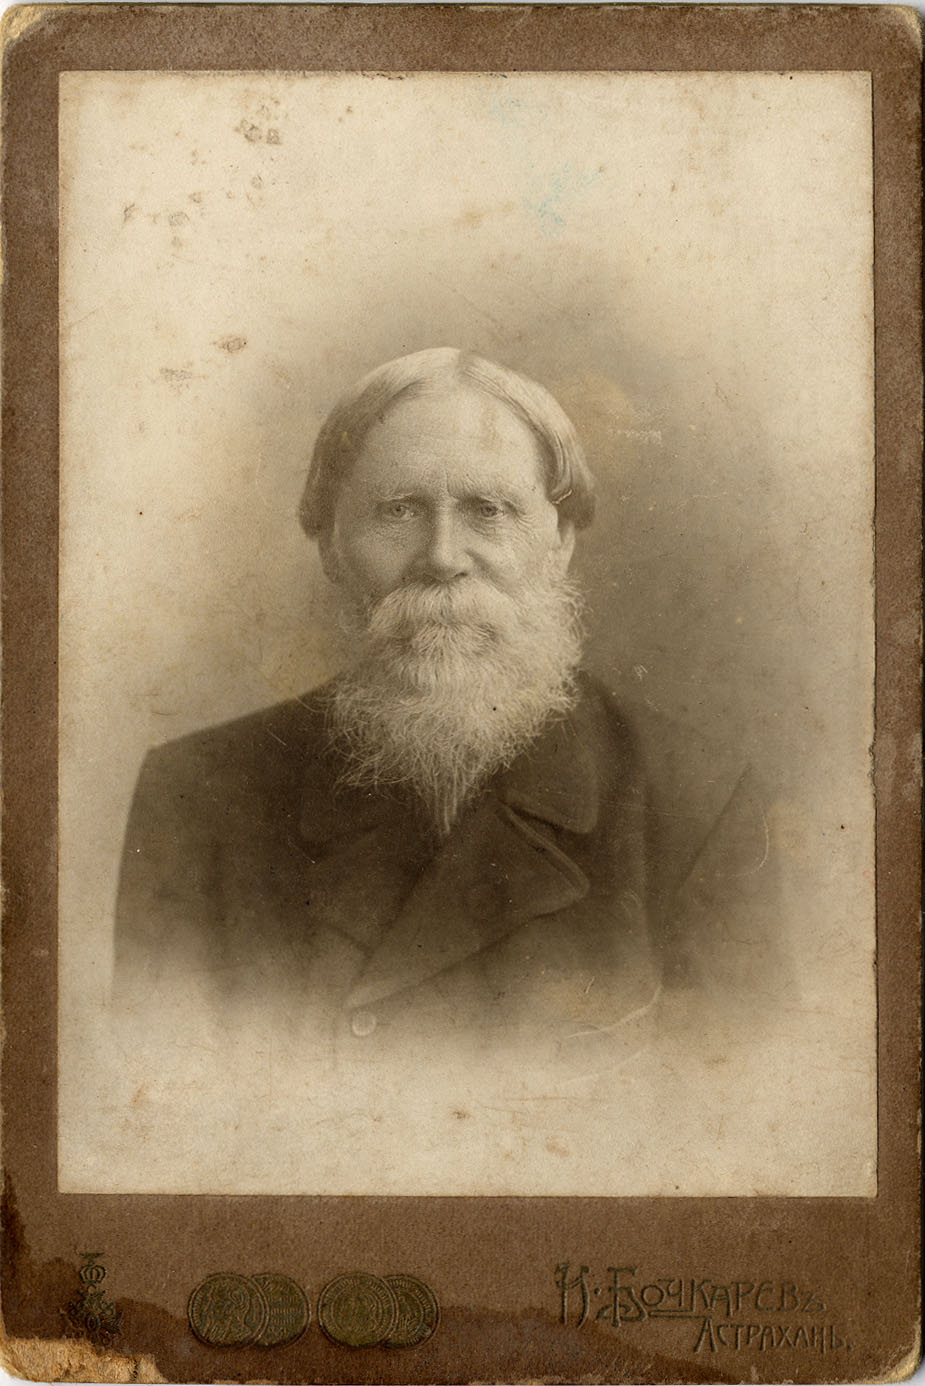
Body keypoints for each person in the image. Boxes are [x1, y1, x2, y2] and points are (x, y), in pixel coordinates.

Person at [114, 348, 782, 1081]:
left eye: (488, 511)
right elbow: (163, 1111)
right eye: (397, 511)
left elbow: (735, 1118)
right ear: (329, 545)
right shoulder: (197, 796)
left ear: (559, 542)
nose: (441, 557)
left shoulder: (697, 801)